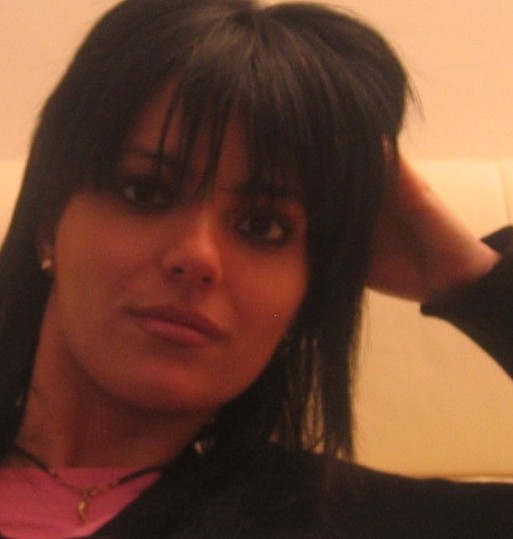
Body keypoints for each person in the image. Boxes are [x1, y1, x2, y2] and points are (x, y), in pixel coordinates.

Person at [0, 0, 511, 537]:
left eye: (262, 226)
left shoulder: (343, 519)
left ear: (306, 293)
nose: (198, 256)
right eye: (146, 192)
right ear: (49, 220)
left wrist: (473, 280)